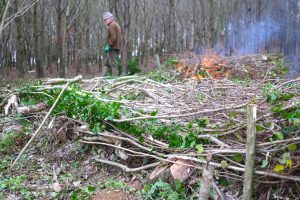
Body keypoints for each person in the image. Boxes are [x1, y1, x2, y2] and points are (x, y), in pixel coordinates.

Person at [102, 12, 121, 76]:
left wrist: (108, 45)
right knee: (106, 63)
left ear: (109, 18)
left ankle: (115, 80)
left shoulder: (112, 25)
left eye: (105, 20)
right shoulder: (116, 24)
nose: (105, 21)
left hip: (112, 48)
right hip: (114, 47)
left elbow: (113, 37)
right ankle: (102, 78)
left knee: (113, 64)